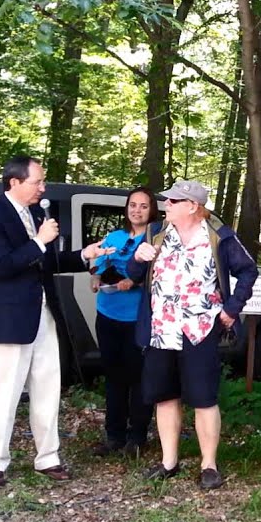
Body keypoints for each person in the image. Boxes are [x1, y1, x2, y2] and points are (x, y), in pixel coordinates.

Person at [0, 155, 112, 489]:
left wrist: (85, 255)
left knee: (48, 388)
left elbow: (47, 263)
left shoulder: (36, 215)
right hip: (7, 318)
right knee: (3, 392)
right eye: (37, 182)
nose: (43, 188)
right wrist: (39, 241)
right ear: (14, 182)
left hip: (43, 315)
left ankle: (48, 457)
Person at [129, 180, 257, 491]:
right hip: (161, 329)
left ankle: (208, 465)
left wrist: (232, 309)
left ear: (192, 206)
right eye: (167, 200)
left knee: (204, 398)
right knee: (164, 396)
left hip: (200, 330)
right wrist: (138, 258)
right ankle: (168, 462)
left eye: (173, 201)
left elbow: (248, 270)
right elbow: (133, 275)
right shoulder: (156, 232)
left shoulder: (219, 236)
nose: (166, 205)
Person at [89, 187, 162, 459]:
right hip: (108, 314)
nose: (137, 210)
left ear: (151, 210)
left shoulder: (156, 240)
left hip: (137, 319)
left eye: (143, 206)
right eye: (133, 205)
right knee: (113, 377)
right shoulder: (115, 237)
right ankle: (114, 436)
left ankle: (137, 437)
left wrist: (135, 281)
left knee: (138, 378)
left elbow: (161, 275)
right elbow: (97, 263)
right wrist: (96, 276)